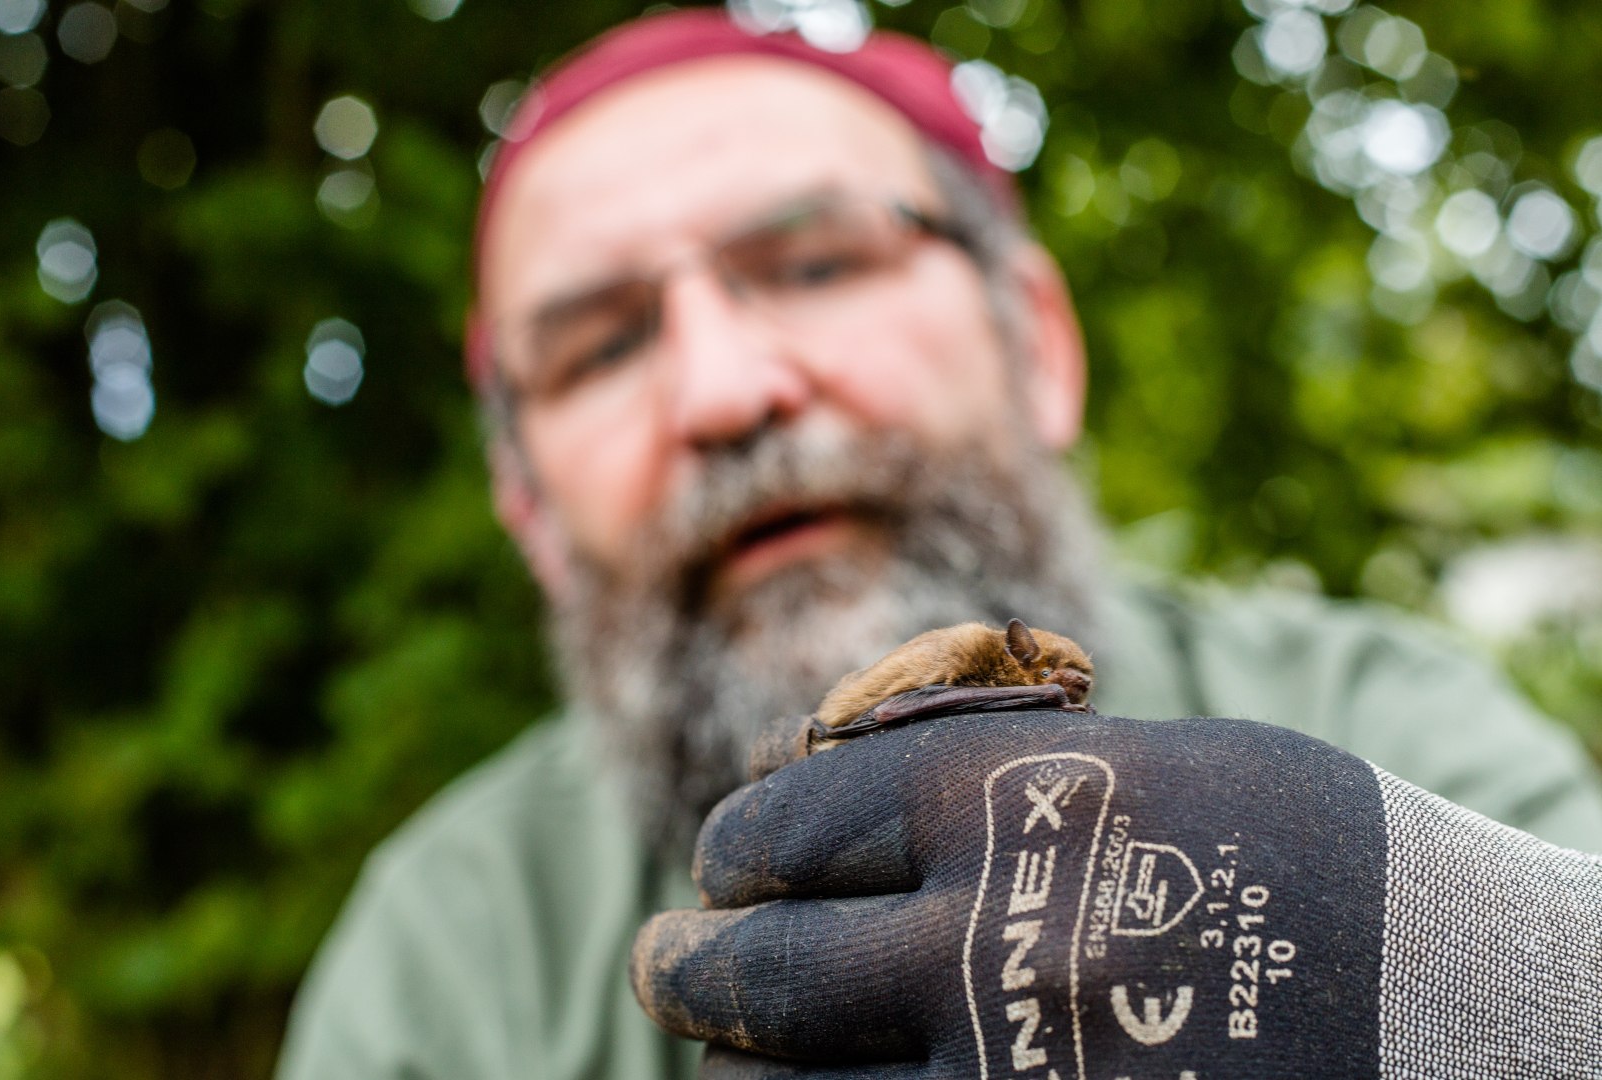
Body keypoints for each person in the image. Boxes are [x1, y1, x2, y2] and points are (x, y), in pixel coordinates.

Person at [273, 9, 1602, 1079]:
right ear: (528, 513)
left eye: (815, 263)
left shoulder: (1385, 730)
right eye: (602, 345)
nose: (725, 389)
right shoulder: (448, 954)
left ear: (1041, 345)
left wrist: (1472, 992)